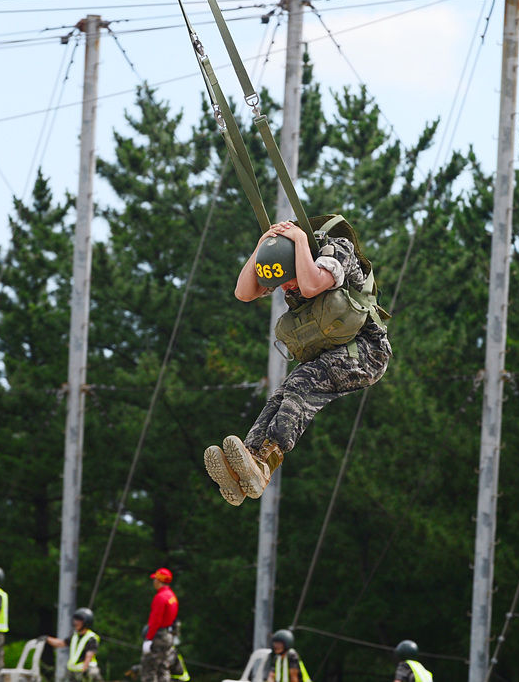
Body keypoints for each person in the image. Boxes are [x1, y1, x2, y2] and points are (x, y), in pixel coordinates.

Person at [204, 218, 392, 506]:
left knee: (301, 383)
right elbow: (243, 293)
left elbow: (312, 284)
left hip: (367, 352)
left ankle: (267, 459)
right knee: (282, 394)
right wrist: (261, 247)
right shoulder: (290, 268)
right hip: (337, 353)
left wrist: (300, 240)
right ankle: (249, 465)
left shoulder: (337, 252)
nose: (285, 289)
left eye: (285, 280)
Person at [140, 568, 179, 682]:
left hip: (158, 636)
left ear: (158, 581)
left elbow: (155, 620)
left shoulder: (160, 597)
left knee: (149, 668)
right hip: (168, 635)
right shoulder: (171, 596)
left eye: (155, 579)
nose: (154, 582)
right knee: (163, 668)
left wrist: (149, 639)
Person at [46, 607, 102, 681]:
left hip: (87, 668)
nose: (76, 623)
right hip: (73, 669)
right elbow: (61, 643)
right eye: (75, 620)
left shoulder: (91, 638)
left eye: (79, 621)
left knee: (94, 674)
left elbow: (89, 656)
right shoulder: (74, 635)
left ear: (86, 622)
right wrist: (47, 639)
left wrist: (82, 672)